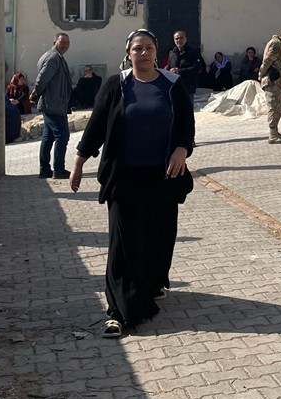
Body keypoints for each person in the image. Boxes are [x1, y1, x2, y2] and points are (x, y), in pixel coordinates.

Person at [70, 30, 195, 338]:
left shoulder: (172, 85)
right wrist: (78, 162)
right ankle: (117, 310)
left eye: (149, 47)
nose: (144, 53)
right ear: (128, 53)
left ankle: (150, 285)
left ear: (157, 52)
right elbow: (97, 124)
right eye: (137, 48)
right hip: (124, 177)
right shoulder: (117, 85)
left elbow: (185, 126)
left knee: (158, 236)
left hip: (163, 177)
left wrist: (182, 148)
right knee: (122, 244)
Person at [32, 33, 72, 180]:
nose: (65, 45)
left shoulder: (55, 57)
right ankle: (59, 169)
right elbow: (41, 79)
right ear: (55, 42)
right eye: (62, 42)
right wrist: (35, 94)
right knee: (62, 135)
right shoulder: (53, 58)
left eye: (67, 43)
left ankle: (45, 170)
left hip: (54, 103)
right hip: (53, 104)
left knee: (48, 137)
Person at [258, 30, 281, 144]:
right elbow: (268, 60)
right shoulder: (276, 44)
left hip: (277, 81)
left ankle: (275, 131)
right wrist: (261, 74)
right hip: (272, 81)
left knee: (278, 107)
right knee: (273, 107)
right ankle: (273, 134)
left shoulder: (279, 44)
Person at [165, 30, 203, 97]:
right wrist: (165, 71)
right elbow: (169, 66)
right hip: (174, 86)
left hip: (188, 86)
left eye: (181, 38)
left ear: (185, 39)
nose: (179, 40)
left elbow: (197, 68)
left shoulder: (193, 52)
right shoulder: (172, 53)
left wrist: (179, 71)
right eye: (176, 38)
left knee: (188, 107)